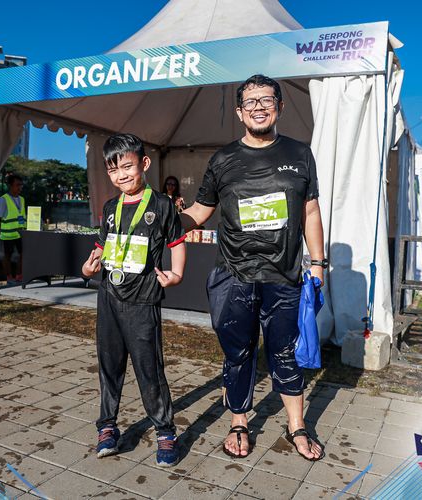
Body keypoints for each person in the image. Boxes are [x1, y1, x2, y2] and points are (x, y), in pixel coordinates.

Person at [181, 74, 326, 461]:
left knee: (285, 353)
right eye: (250, 102)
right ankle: (239, 423)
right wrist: (162, 220)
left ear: (279, 106)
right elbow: (199, 211)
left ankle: (296, 426)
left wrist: (318, 265)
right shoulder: (223, 159)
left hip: (284, 276)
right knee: (238, 352)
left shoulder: (300, 154)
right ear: (239, 112)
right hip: (234, 275)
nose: (258, 108)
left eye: (266, 100)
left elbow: (311, 212)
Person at [81, 133, 186, 467]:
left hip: (143, 301)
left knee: (149, 369)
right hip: (109, 298)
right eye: (113, 170)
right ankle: (107, 427)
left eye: (127, 167)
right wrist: (88, 266)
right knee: (109, 366)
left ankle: (165, 431)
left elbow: (177, 242)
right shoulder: (110, 208)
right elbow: (101, 246)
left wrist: (177, 273)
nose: (121, 175)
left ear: (144, 164)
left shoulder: (163, 205)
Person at [0, 174, 26, 285]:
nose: (20, 187)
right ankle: (9, 277)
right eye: (17, 185)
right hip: (8, 234)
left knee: (23, 253)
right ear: (10, 185)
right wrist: (0, 230)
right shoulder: (3, 200)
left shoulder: (22, 199)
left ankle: (19, 275)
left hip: (20, 233)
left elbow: (21, 215)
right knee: (8, 255)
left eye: (21, 185)